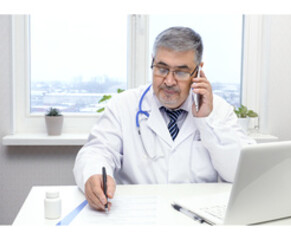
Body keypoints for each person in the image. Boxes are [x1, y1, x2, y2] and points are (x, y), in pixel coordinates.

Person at [73, 27, 256, 211]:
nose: (169, 81)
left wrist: (207, 121)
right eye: (162, 69)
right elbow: (96, 151)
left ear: (199, 72)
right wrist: (94, 174)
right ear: (153, 62)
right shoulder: (124, 105)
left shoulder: (218, 110)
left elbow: (239, 173)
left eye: (181, 72)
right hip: (140, 214)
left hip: (197, 218)